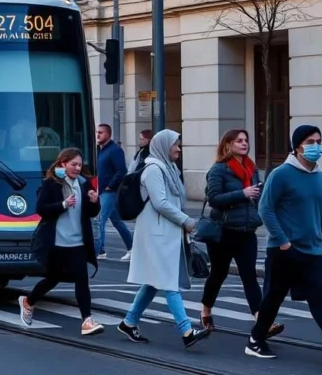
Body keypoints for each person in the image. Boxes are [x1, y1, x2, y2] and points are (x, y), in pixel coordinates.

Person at [245, 125, 322, 361]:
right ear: (297, 147)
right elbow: (265, 208)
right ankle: (255, 340)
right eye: (310, 142)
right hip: (284, 251)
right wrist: (283, 241)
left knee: (318, 299)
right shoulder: (281, 174)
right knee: (274, 298)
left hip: (314, 250)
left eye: (319, 141)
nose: (316, 146)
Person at [117, 129, 211, 348]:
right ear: (163, 146)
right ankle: (186, 331)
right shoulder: (153, 169)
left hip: (167, 233)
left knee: (153, 282)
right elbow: (160, 203)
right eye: (175, 144)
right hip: (155, 235)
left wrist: (182, 224)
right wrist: (185, 220)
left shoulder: (169, 168)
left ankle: (129, 322)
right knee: (169, 283)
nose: (179, 148)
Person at [199, 129, 283, 337]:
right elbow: (213, 199)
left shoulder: (251, 169)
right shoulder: (219, 169)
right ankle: (206, 310)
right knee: (218, 275)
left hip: (247, 232)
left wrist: (260, 210)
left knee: (249, 276)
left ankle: (262, 322)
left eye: (246, 140)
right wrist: (242, 193)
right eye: (239, 141)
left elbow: (258, 197)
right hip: (223, 232)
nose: (244, 144)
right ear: (228, 144)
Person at [19, 148, 103, 335]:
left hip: (78, 242)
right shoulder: (52, 183)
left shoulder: (83, 183)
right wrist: (63, 204)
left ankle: (87, 321)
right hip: (57, 242)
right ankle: (28, 301)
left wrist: (95, 202)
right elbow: (41, 209)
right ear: (63, 164)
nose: (77, 168)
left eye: (80, 165)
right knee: (53, 279)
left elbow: (91, 213)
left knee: (82, 280)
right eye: (74, 164)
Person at [94, 124, 132, 261]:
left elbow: (122, 170)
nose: (98, 135)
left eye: (101, 132)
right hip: (102, 190)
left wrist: (110, 186)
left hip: (109, 192)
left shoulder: (115, 150)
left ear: (108, 134)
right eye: (97, 132)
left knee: (99, 220)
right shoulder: (99, 150)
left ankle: (99, 250)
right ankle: (132, 248)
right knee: (117, 221)